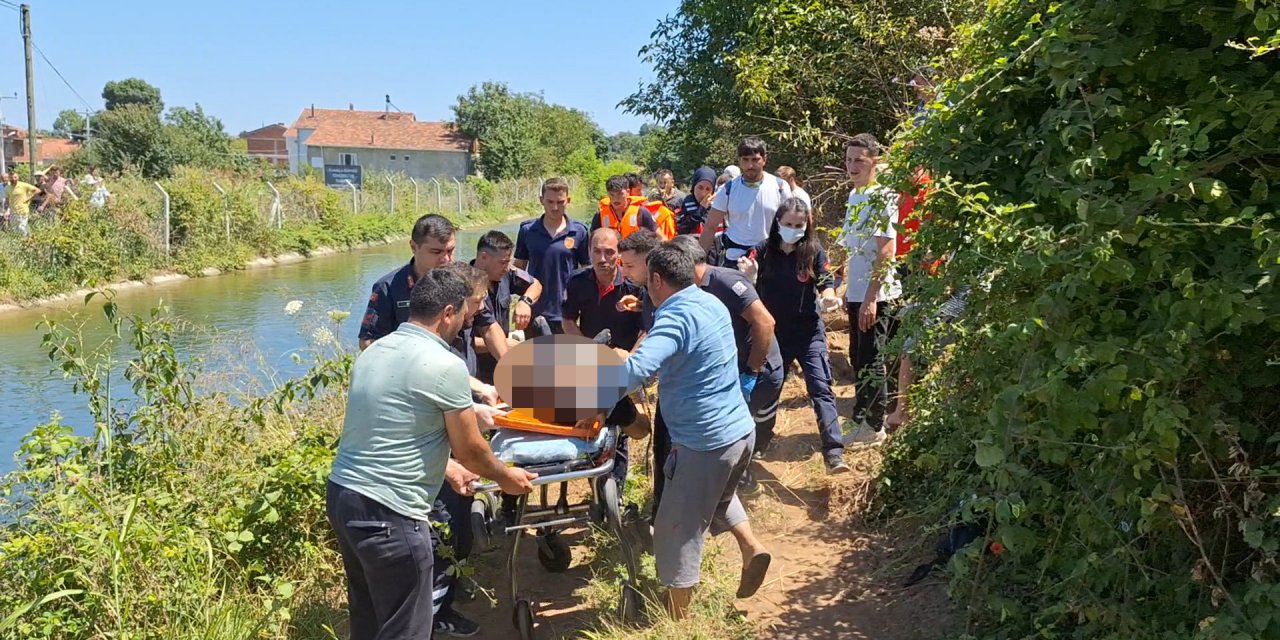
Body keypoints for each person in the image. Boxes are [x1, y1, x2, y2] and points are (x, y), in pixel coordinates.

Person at [327, 268, 536, 640]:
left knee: (370, 619)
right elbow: (472, 451)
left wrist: (449, 467)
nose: (467, 324)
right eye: (466, 316)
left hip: (345, 499)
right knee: (407, 628)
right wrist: (507, 477)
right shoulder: (446, 364)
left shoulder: (376, 351)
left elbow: (398, 429)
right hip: (392, 514)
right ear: (447, 313)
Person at [612, 244, 771, 619]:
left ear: (656, 279)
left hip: (705, 442)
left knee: (676, 529)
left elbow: (635, 373)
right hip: (739, 433)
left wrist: (592, 382)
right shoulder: (710, 303)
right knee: (715, 493)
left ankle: (677, 620)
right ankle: (751, 547)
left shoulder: (675, 316)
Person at [739, 198, 849, 473]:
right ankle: (760, 440)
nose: (793, 229)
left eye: (799, 225)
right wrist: (750, 276)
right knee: (769, 389)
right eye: (788, 224)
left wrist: (829, 297)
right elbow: (743, 282)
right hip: (774, 336)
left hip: (809, 331)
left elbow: (826, 281)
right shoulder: (763, 252)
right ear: (777, 223)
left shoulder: (813, 251)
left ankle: (834, 452)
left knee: (821, 387)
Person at [666, 234, 783, 492]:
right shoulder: (693, 290)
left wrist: (751, 374)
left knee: (732, 431)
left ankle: (741, 483)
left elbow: (765, 323)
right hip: (736, 370)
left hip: (759, 370)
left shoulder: (725, 281)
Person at [359, 214, 510, 369]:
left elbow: (489, 327)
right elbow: (368, 342)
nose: (446, 259)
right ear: (413, 247)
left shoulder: (464, 278)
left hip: (465, 379)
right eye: (436, 252)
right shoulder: (389, 287)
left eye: (450, 251)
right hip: (419, 379)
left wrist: (508, 365)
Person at [562, 228, 645, 486]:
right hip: (590, 361)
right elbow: (567, 320)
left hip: (626, 364)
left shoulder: (633, 284)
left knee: (624, 424)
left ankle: (616, 485)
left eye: (609, 252)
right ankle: (593, 476)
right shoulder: (577, 281)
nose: (602, 258)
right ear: (589, 252)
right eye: (596, 251)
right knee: (591, 421)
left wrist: (632, 360)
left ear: (618, 254)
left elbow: (647, 328)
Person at [838, 133, 900, 448]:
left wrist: (872, 297)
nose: (852, 166)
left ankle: (875, 426)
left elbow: (886, 251)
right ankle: (861, 417)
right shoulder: (854, 197)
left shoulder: (883, 196)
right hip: (857, 293)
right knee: (859, 358)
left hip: (878, 295)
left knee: (873, 358)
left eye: (859, 160)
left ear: (874, 160)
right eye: (848, 160)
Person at [699, 137, 792, 268]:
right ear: (739, 160)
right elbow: (710, 227)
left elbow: (792, 225)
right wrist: (698, 263)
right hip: (735, 259)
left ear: (764, 159)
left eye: (755, 160)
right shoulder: (727, 189)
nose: (750, 166)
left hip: (771, 258)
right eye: (745, 160)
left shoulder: (780, 187)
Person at [515, 177, 591, 336]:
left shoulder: (579, 232)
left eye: (560, 202)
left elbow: (587, 271)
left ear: (568, 200)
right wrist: (521, 302)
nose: (555, 207)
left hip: (568, 312)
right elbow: (518, 269)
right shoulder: (528, 231)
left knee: (566, 359)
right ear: (541, 200)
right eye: (550, 202)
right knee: (537, 359)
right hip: (535, 310)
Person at [471, 230, 542, 384]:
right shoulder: (463, 285)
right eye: (503, 262)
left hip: (501, 362)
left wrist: (525, 302)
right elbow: (457, 342)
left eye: (508, 262)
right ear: (483, 257)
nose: (507, 267)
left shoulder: (505, 274)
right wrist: (502, 344)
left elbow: (535, 284)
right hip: (475, 371)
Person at [591, 175, 658, 240]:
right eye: (612, 194)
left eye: (620, 194)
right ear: (608, 194)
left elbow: (660, 237)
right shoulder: (599, 215)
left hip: (635, 250)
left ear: (628, 192)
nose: (616, 199)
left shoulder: (642, 212)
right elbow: (592, 241)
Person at [627, 172, 677, 239]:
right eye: (638, 190)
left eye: (641, 190)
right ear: (627, 191)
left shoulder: (660, 211)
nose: (641, 193)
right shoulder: (611, 208)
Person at [675, 166, 717, 236]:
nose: (703, 193)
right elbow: (682, 229)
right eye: (700, 188)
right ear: (694, 186)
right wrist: (701, 208)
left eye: (708, 189)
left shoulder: (717, 204)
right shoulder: (685, 202)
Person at [4, 171, 40, 237]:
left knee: (22, 227)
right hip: (13, 211)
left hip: (23, 209)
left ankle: (24, 241)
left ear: (18, 177)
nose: (13, 179)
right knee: (15, 227)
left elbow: (37, 190)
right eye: (11, 177)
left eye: (15, 177)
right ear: (9, 178)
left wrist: (29, 198)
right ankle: (29, 239)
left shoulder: (23, 185)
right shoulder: (7, 188)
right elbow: (7, 200)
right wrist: (6, 211)